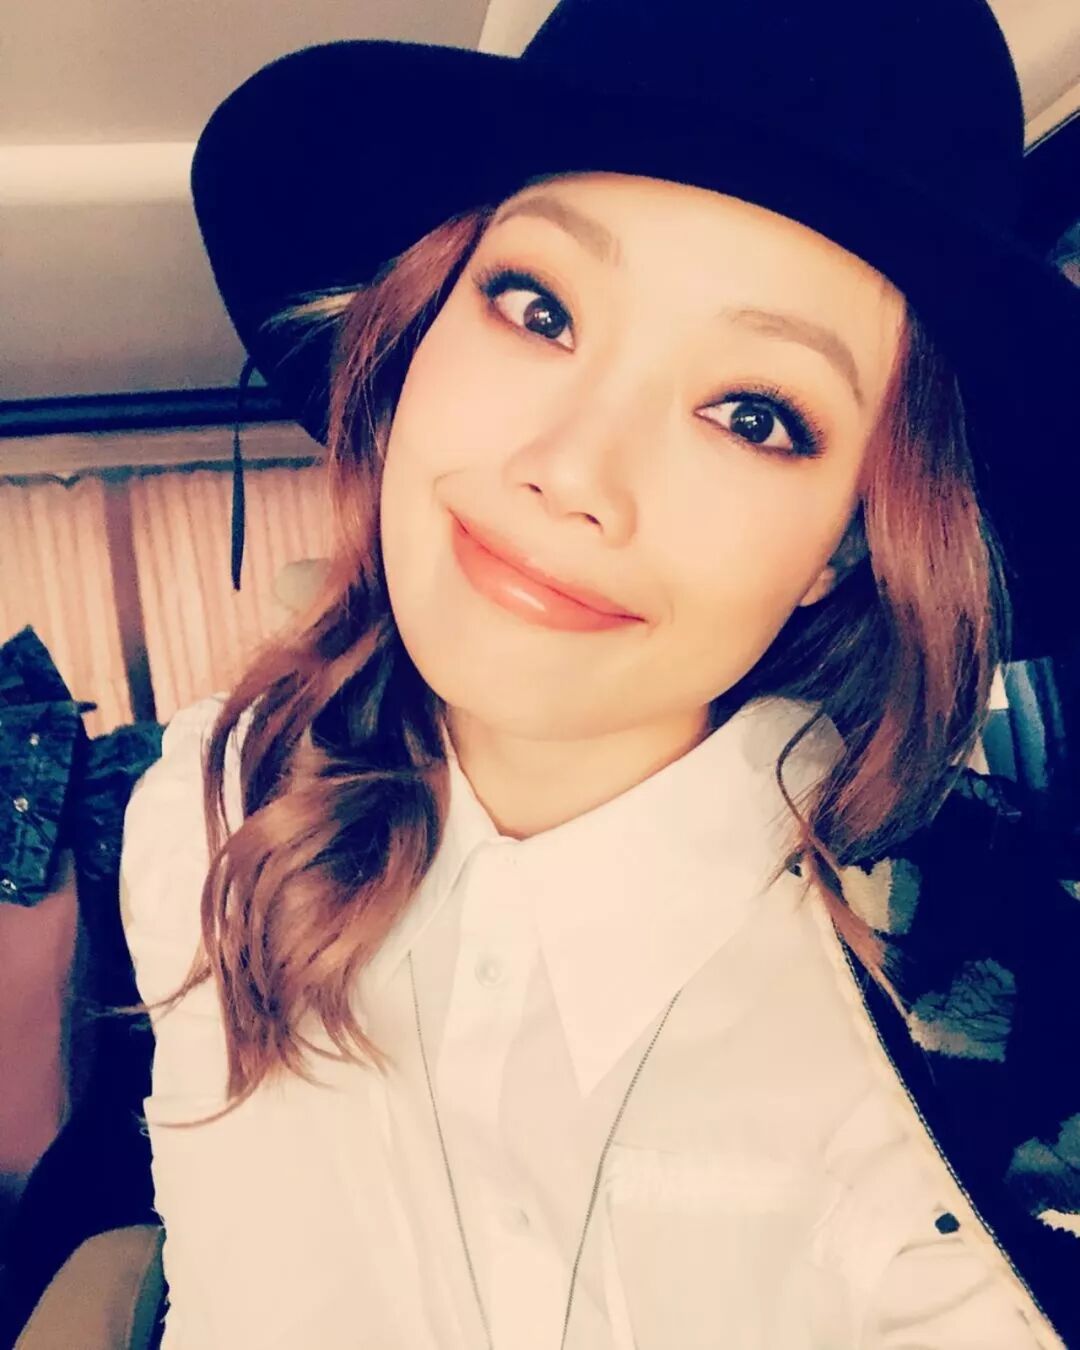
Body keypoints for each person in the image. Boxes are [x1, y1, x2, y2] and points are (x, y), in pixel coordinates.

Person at [118, 0, 1080, 1346]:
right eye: (540, 309)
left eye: (754, 415)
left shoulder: (986, 1011)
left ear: (850, 542)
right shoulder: (212, 805)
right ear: (420, 327)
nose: (573, 471)